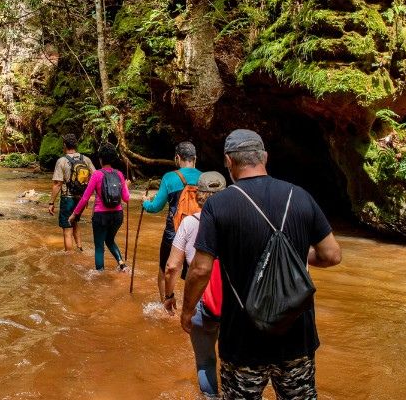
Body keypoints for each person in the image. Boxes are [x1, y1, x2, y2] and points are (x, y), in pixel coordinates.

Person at [180, 129, 342, 400]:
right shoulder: (301, 196)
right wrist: (298, 256)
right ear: (265, 157)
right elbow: (332, 255)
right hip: (296, 337)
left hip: (243, 340)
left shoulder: (218, 205)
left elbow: (200, 269)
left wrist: (187, 311)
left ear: (228, 162)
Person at [163, 171, 227, 399]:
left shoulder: (189, 223)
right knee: (235, 361)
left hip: (204, 300)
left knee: (206, 360)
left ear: (198, 196)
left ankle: (210, 396)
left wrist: (169, 296)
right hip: (236, 299)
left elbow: (172, 266)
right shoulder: (239, 220)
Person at [142, 141, 201, 300]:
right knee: (195, 270)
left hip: (173, 232)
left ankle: (166, 304)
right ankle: (192, 306)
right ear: (195, 158)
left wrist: (145, 202)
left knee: (164, 270)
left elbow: (155, 207)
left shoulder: (169, 177)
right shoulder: (204, 178)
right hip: (198, 233)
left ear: (177, 158)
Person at [69, 142, 130, 271]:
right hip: (118, 215)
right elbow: (126, 198)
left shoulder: (97, 174)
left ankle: (100, 274)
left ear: (100, 159)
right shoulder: (119, 174)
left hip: (101, 216)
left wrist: (75, 214)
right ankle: (122, 264)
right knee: (109, 239)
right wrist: (126, 187)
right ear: (113, 158)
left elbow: (85, 197)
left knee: (99, 246)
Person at [49, 133, 95, 251]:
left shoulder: (62, 161)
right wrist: (87, 196)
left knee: (67, 230)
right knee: (75, 223)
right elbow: (95, 177)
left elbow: (57, 184)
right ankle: (80, 248)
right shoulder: (85, 159)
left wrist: (51, 202)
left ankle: (69, 258)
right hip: (80, 198)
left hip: (67, 198)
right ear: (76, 145)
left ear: (65, 145)